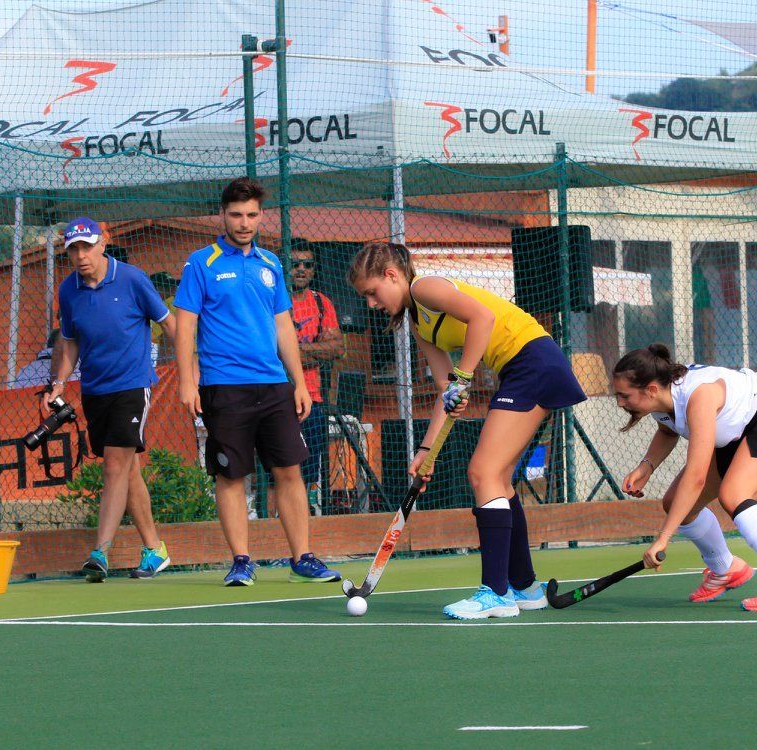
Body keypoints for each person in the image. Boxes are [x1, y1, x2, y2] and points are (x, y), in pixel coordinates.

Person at [348, 241, 587, 620]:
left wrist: (464, 376)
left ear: (391, 275)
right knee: (498, 480)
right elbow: (446, 390)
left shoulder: (424, 288)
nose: (371, 303)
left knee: (482, 473)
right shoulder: (419, 323)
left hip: (532, 361)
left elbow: (482, 318)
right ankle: (524, 586)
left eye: (372, 292)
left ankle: (495, 593)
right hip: (519, 369)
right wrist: (426, 451)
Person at [174, 177, 340, 586]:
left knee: (289, 471)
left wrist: (298, 382)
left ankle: (303, 559)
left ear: (261, 216)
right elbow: (185, 325)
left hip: (274, 385)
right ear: (222, 215)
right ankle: (241, 561)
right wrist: (187, 382)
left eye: (251, 215)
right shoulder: (201, 263)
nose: (244, 223)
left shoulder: (271, 264)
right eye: (236, 215)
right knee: (231, 476)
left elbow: (283, 325)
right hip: (223, 386)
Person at [612, 344, 757, 611]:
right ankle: (725, 568)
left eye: (624, 395)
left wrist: (663, 538)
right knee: (676, 504)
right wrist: (646, 467)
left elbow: (696, 476)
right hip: (735, 434)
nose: (620, 403)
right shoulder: (661, 399)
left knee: (735, 495)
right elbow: (668, 431)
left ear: (650, 389)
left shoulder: (699, 396)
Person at [46, 217, 173, 582]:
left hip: (132, 385)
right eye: (74, 250)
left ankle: (100, 552)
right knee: (127, 470)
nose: (81, 256)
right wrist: (59, 383)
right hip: (95, 390)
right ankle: (155, 549)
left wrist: (191, 369)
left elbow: (171, 325)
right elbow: (71, 342)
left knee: (115, 466)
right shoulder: (68, 290)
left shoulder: (132, 279)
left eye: (87, 247)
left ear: (102, 244)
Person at [288, 241, 344, 508]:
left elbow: (337, 348)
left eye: (307, 264)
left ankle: (306, 520)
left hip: (313, 400)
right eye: (295, 264)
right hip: (279, 397)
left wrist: (295, 350)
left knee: (310, 472)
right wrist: (317, 351)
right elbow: (274, 353)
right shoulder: (273, 301)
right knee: (279, 473)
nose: (301, 269)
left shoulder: (321, 303)